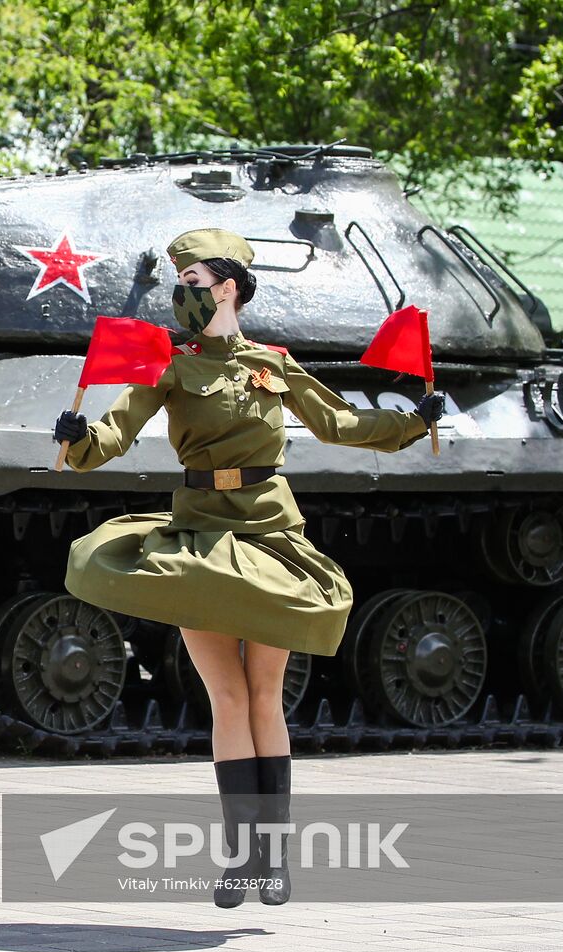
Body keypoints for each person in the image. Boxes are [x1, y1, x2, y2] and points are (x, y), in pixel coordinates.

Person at [52, 229, 445, 908]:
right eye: (178, 286)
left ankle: (274, 859)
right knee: (225, 696)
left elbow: (339, 425)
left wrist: (411, 422)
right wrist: (79, 439)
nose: (182, 296)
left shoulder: (274, 362)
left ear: (228, 287)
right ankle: (239, 861)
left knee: (265, 693)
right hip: (200, 534)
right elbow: (114, 431)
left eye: (194, 284)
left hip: (268, 532)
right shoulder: (169, 364)